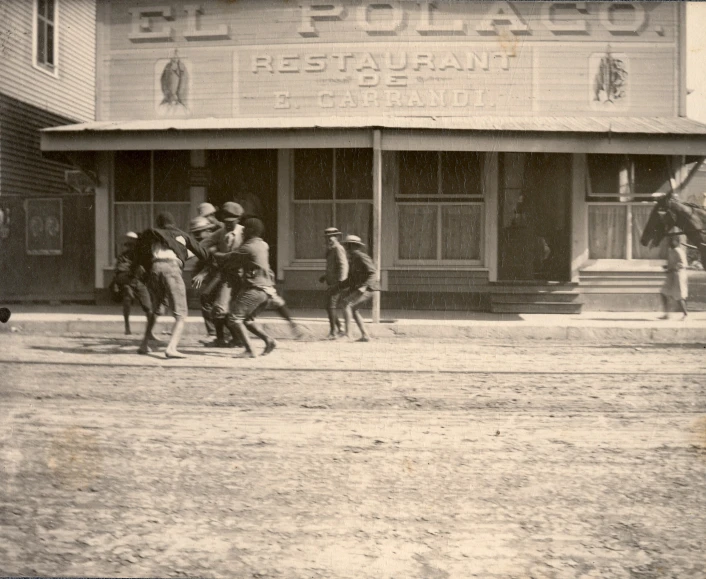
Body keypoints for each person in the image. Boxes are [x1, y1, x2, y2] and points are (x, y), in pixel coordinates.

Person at [135, 212, 210, 358]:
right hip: (172, 269)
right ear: (173, 223)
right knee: (181, 314)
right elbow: (205, 255)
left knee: (157, 307)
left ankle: (144, 344)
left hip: (154, 270)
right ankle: (171, 348)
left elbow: (140, 254)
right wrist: (204, 270)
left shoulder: (153, 235)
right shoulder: (182, 235)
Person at [214, 217, 279, 358]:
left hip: (255, 290)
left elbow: (228, 258)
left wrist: (212, 253)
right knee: (247, 320)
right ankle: (269, 340)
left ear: (251, 231)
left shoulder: (247, 248)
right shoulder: (263, 245)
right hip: (267, 291)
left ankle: (250, 349)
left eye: (244, 230)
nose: (242, 232)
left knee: (234, 319)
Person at [200, 201, 245, 347]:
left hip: (242, 276)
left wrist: (220, 254)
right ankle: (221, 338)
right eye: (226, 222)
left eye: (232, 222)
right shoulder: (220, 232)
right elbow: (203, 245)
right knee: (218, 307)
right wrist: (211, 252)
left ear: (238, 219)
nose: (228, 225)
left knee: (233, 310)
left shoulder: (245, 233)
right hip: (226, 276)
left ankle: (236, 338)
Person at [338, 235, 380, 342]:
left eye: (349, 246)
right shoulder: (353, 259)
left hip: (369, 288)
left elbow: (373, 273)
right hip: (362, 288)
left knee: (346, 304)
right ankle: (365, 335)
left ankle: (348, 335)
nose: (347, 248)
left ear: (355, 246)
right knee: (353, 309)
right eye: (347, 246)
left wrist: (364, 286)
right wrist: (337, 287)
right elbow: (351, 279)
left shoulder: (361, 256)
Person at [111, 231, 152, 336]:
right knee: (127, 299)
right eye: (127, 244)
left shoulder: (142, 254)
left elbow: (145, 268)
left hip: (138, 282)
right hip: (128, 281)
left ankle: (149, 332)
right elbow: (118, 270)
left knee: (148, 307)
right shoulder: (123, 256)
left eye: (132, 244)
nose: (129, 246)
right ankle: (127, 327)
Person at [189, 216, 220, 337]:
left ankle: (214, 333)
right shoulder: (205, 244)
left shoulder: (213, 243)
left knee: (208, 298)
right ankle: (216, 333)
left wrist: (202, 274)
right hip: (214, 275)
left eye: (198, 232)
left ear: (208, 230)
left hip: (222, 274)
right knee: (209, 301)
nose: (197, 236)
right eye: (195, 233)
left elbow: (216, 262)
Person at [318, 227, 349, 339]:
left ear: (336, 237)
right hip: (331, 282)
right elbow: (332, 267)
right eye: (327, 237)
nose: (329, 239)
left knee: (331, 305)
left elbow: (343, 265)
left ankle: (333, 332)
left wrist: (341, 282)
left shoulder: (338, 248)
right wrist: (325, 276)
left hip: (337, 283)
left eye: (331, 237)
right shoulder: (330, 250)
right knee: (328, 305)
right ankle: (339, 328)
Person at [660, 231, 689, 320]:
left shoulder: (679, 251)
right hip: (671, 275)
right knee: (664, 293)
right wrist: (667, 267)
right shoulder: (671, 251)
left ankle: (685, 314)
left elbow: (684, 264)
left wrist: (674, 268)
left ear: (676, 241)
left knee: (679, 296)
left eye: (671, 240)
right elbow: (671, 263)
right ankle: (667, 314)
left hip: (678, 276)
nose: (669, 242)